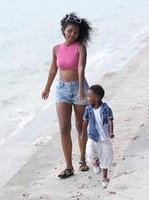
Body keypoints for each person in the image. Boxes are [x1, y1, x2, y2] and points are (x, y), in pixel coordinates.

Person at [41, 13, 93, 178]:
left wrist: (80, 91)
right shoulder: (56, 49)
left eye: (76, 32)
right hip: (62, 89)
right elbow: (53, 69)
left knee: (80, 126)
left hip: (80, 88)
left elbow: (81, 68)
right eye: (70, 31)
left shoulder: (80, 48)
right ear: (64, 30)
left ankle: (83, 160)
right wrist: (47, 88)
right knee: (64, 128)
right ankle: (69, 167)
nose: (72, 34)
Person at [81, 85, 114, 188]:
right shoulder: (88, 109)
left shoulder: (106, 108)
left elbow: (110, 121)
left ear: (97, 98)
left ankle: (105, 177)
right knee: (89, 151)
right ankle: (95, 162)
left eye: (89, 96)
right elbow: (85, 121)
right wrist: (83, 133)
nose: (88, 98)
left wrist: (111, 132)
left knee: (106, 156)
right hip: (92, 136)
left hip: (104, 137)